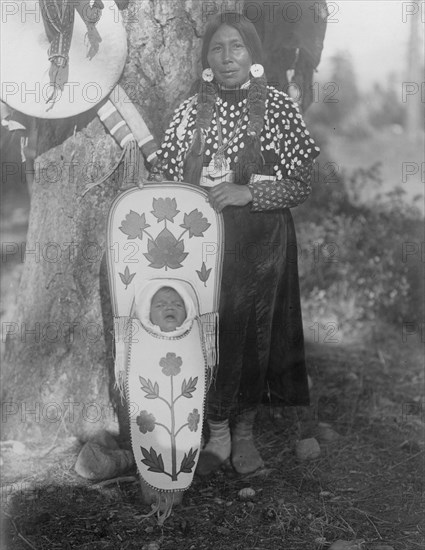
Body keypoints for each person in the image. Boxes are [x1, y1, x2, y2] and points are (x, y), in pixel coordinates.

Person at [150, 11, 320, 476]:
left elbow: (303, 183)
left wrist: (250, 192)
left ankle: (243, 436)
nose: (227, 58)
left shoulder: (281, 108)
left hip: (261, 244)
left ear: (253, 54)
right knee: (205, 333)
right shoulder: (188, 112)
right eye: (217, 48)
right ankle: (215, 433)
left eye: (237, 47)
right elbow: (163, 177)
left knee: (251, 335)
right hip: (201, 247)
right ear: (206, 58)